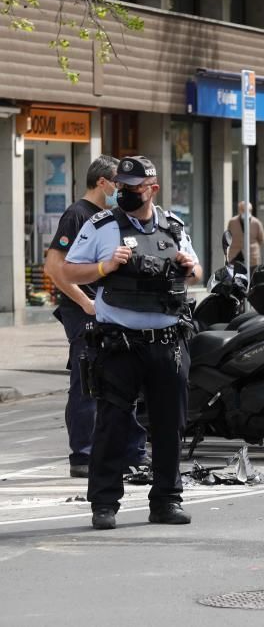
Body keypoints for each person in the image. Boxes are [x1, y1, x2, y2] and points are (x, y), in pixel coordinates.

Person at [62, 155, 202, 530]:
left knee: (169, 424)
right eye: (120, 187)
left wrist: (191, 269)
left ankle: (167, 502)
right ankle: (104, 504)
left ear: (152, 189)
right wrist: (105, 267)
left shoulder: (173, 226)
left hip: (168, 342)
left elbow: (197, 271)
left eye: (132, 189)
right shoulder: (101, 225)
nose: (123, 194)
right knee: (111, 424)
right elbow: (68, 269)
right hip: (118, 343)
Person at [43, 155, 147, 479]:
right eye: (116, 182)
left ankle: (132, 450)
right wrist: (85, 302)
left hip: (113, 309)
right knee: (87, 381)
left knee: (122, 380)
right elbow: (53, 268)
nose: (121, 188)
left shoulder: (112, 216)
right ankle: (83, 456)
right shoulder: (77, 215)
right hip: (85, 313)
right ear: (102, 182)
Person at [226, 201, 264, 267]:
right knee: (235, 275)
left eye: (248, 210)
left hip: (252, 255)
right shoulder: (232, 222)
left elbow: (261, 239)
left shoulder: (256, 223)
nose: (245, 212)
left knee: (251, 275)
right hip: (235, 254)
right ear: (239, 210)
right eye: (242, 209)